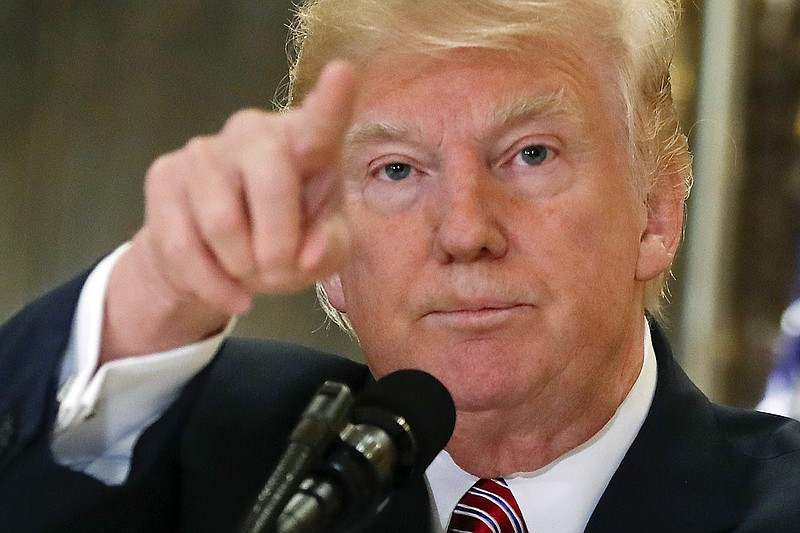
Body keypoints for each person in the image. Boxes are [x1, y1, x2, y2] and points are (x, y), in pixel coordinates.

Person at [2, 0, 800, 531]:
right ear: (330, 249)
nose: (464, 229)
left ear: (656, 212)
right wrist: (157, 291)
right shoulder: (204, 449)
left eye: (529, 154)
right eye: (395, 169)